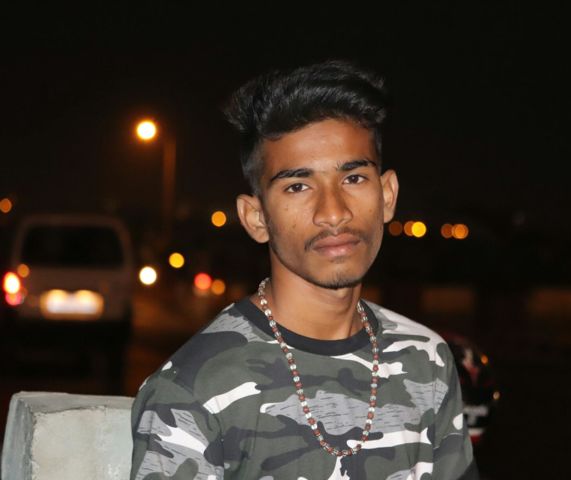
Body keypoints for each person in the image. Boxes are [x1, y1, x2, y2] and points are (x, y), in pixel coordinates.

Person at [129, 60, 478, 479]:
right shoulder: (193, 390)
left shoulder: (428, 361)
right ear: (256, 218)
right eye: (298, 186)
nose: (333, 212)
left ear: (387, 195)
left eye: (353, 178)